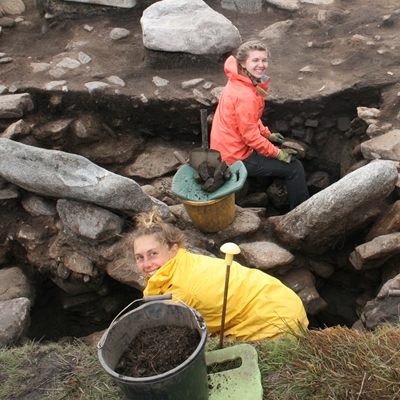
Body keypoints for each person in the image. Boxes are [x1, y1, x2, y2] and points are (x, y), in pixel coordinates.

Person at [131, 209, 309, 341]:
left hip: (278, 321)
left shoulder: (180, 291)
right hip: (278, 297)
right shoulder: (184, 262)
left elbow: (176, 337)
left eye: (153, 254)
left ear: (173, 250)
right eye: (140, 257)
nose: (146, 264)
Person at [210, 40, 310, 209]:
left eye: (264, 60)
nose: (261, 65)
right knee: (295, 167)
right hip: (235, 157)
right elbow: (249, 136)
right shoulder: (245, 95)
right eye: (255, 60)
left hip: (225, 147)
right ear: (242, 63)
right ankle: (303, 213)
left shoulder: (238, 80)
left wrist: (266, 134)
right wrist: (278, 153)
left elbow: (248, 119)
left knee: (269, 149)